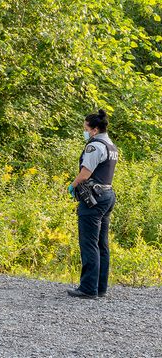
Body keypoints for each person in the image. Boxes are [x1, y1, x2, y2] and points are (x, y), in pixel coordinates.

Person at [67, 109, 118, 299]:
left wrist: (72, 185)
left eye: (86, 129)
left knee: (89, 242)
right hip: (107, 194)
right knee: (102, 244)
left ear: (95, 130)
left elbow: (85, 173)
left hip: (94, 199)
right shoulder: (111, 146)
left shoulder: (95, 146)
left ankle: (88, 288)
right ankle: (100, 287)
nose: (85, 132)